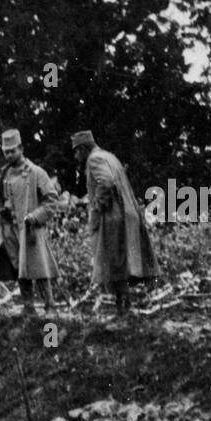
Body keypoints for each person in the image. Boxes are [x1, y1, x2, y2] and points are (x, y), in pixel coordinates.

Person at [72, 131, 158, 318]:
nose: (75, 156)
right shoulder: (109, 156)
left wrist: (97, 205)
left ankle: (123, 309)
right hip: (126, 213)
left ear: (84, 149)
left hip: (113, 217)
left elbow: (107, 182)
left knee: (113, 262)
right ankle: (125, 306)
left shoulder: (94, 159)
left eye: (77, 152)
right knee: (122, 262)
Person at [0, 128, 61, 314]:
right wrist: (3, 212)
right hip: (11, 229)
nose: (9, 155)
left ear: (21, 148)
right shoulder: (5, 175)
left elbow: (52, 200)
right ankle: (28, 307)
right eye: (6, 152)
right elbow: (3, 199)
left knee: (39, 268)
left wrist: (35, 216)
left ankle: (50, 305)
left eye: (12, 150)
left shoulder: (36, 172)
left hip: (31, 229)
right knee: (19, 268)